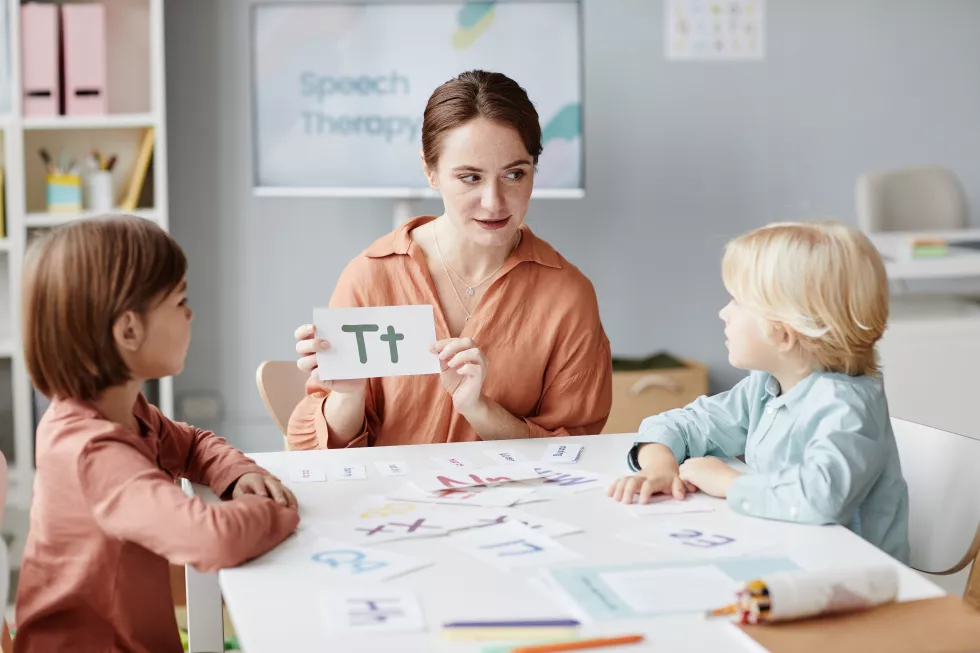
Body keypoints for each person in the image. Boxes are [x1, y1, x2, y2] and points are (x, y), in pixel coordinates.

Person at [15, 217, 300, 652]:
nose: (189, 313)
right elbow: (212, 538)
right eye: (179, 300)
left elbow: (192, 443)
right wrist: (273, 508)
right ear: (128, 330)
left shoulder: (122, 411)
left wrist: (236, 474)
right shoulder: (91, 452)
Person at [289, 70, 612, 449]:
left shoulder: (568, 295)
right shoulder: (370, 277)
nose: (494, 202)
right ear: (430, 171)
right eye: (470, 178)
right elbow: (311, 454)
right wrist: (348, 396)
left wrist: (479, 409)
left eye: (514, 174)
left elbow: (576, 449)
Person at [608, 221, 910, 562]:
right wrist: (658, 464)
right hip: (788, 555)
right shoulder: (767, 386)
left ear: (782, 332)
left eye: (737, 301)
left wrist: (728, 483)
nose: (723, 312)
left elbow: (820, 497)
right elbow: (687, 423)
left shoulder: (846, 406)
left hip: (853, 583)